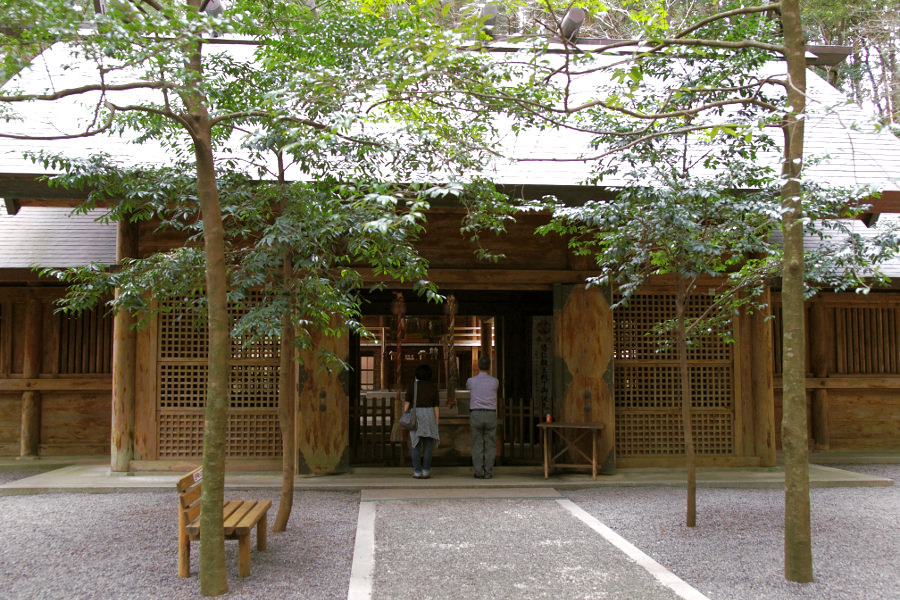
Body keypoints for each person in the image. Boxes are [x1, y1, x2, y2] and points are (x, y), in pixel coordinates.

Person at [404, 363, 440, 479]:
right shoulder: (433, 387)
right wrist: (437, 420)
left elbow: (407, 404)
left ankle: (417, 471)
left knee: (416, 445)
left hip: (416, 415)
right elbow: (436, 406)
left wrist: (405, 416)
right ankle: (426, 471)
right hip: (430, 415)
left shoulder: (412, 386)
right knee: (428, 445)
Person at [466, 355, 499, 479]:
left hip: (476, 413)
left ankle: (479, 471)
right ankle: (488, 471)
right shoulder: (495, 381)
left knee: (477, 443)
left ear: (478, 366)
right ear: (489, 367)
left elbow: (468, 388)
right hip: (490, 413)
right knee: (490, 443)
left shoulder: (471, 381)